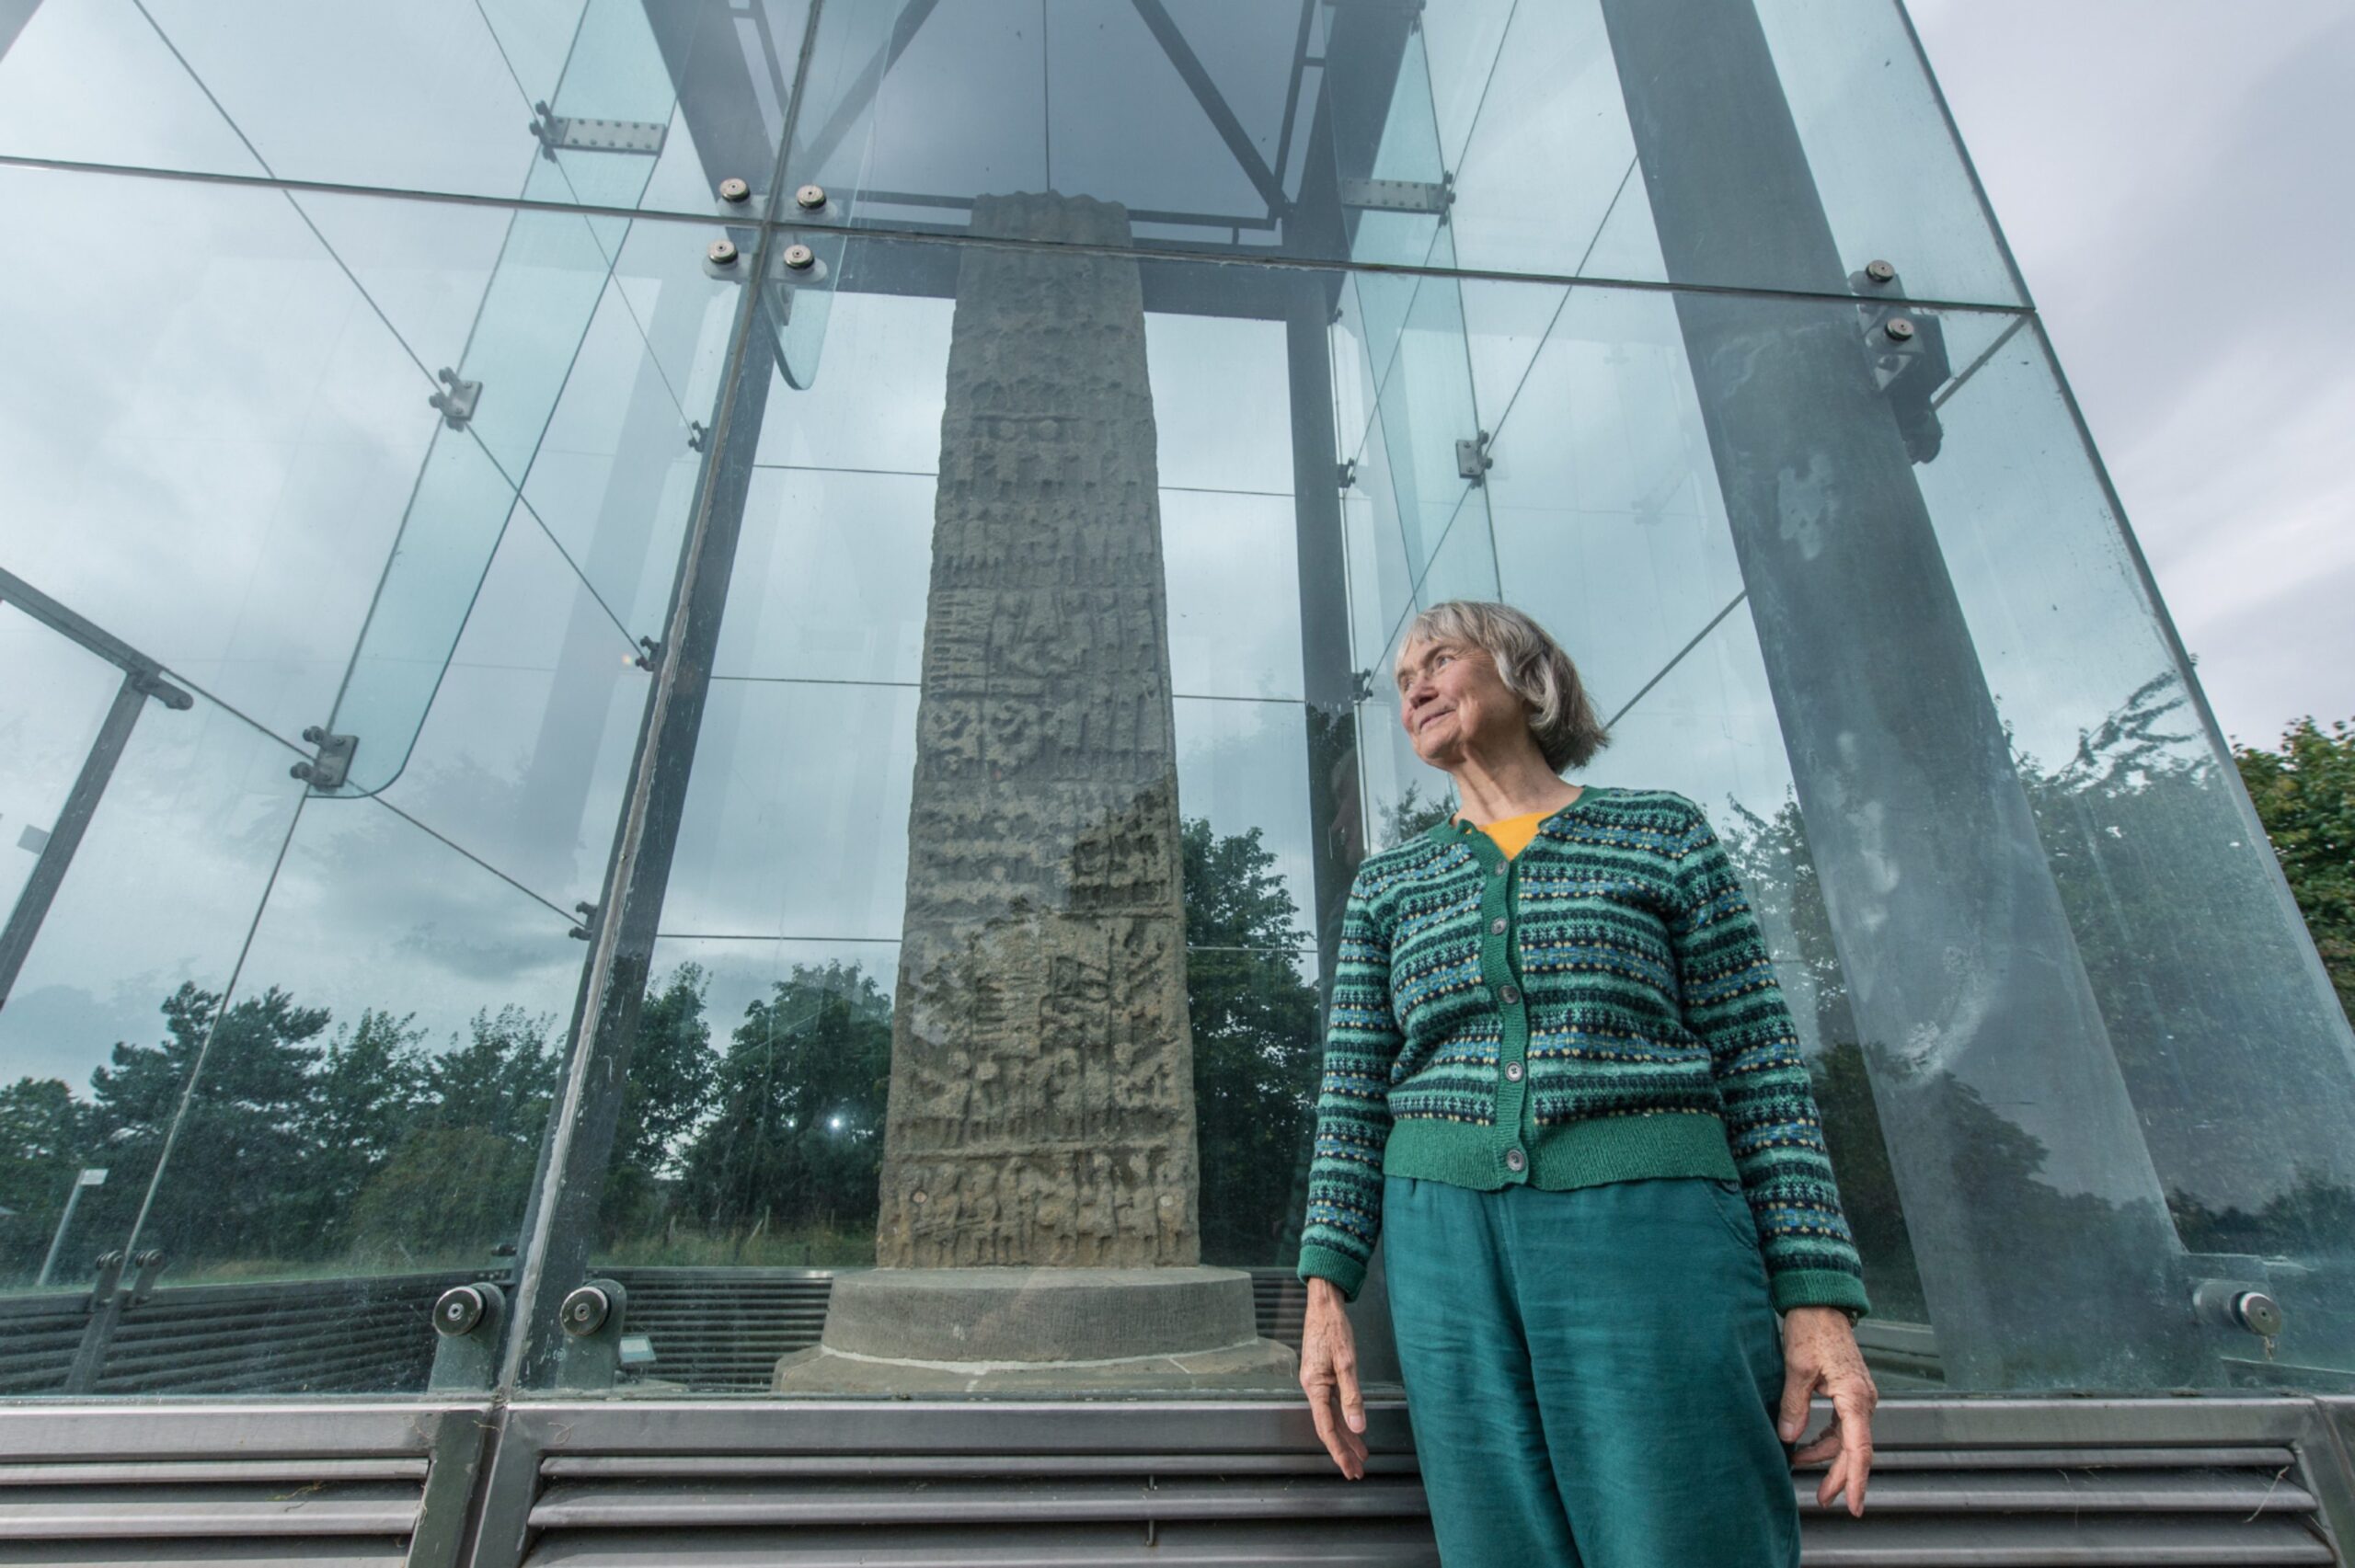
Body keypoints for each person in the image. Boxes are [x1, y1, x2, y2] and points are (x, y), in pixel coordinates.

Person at [1294, 600, 1878, 1567]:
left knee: (1687, 1526)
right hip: (1443, 1246)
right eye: (1403, 681)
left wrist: (1816, 1296)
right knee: (1496, 1539)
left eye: (1439, 659)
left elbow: (1762, 1066)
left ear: (1527, 678)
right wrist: (1328, 1293)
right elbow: (1353, 1096)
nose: (1415, 688)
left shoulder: (1661, 836)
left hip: (1652, 1228)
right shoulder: (1388, 884)